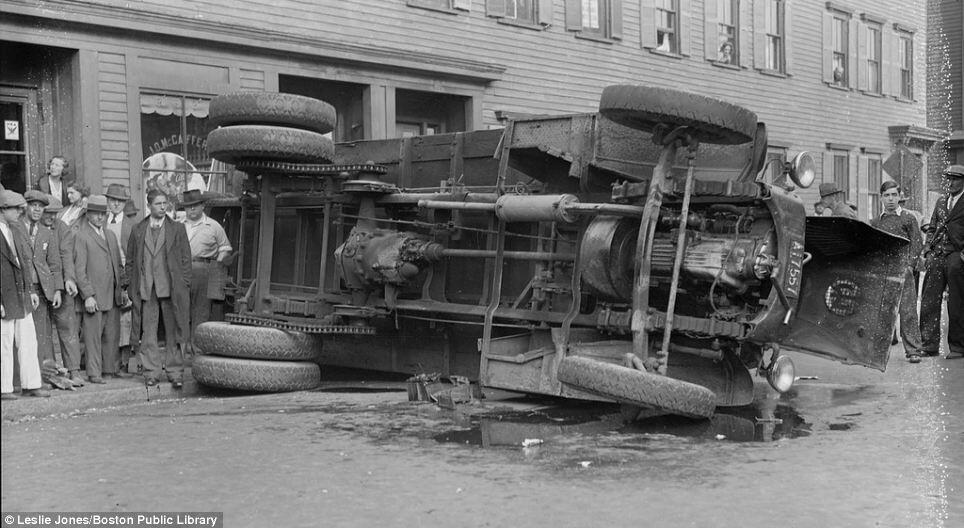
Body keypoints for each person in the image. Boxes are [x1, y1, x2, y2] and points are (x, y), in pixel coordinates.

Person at [127, 190, 192, 388]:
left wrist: (184, 283)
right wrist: (132, 286)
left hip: (171, 288)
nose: (163, 207)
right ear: (149, 206)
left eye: (165, 203)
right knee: (148, 332)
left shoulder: (177, 229)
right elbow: (130, 261)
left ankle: (175, 372)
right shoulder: (138, 229)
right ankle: (151, 372)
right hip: (147, 288)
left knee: (174, 331)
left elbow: (185, 259)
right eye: (158, 204)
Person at [0, 190, 49, 399]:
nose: (20, 213)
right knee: (4, 343)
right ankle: (4, 388)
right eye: (15, 209)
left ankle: (31, 384)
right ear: (2, 210)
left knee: (28, 341)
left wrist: (31, 291)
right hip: (4, 296)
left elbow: (24, 262)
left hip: (21, 295)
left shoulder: (15, 231)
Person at [73, 194, 126, 384]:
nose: (99, 217)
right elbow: (79, 270)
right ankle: (93, 373)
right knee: (92, 337)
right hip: (94, 296)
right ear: (88, 214)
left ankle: (109, 369)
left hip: (112, 295)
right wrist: (87, 295)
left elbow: (118, 265)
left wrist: (122, 289)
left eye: (103, 214)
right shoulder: (81, 236)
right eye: (95, 213)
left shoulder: (110, 235)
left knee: (111, 335)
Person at [871, 182, 924, 363]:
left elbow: (916, 243)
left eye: (894, 195)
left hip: (904, 271)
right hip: (884, 271)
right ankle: (879, 352)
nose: (891, 199)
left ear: (899, 196)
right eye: (887, 195)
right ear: (882, 198)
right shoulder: (876, 222)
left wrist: (910, 265)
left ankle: (914, 350)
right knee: (883, 311)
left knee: (908, 310)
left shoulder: (908, 218)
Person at [179, 189, 232, 356]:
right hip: (180, 270)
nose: (192, 209)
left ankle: (197, 349)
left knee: (201, 311)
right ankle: (180, 351)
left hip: (203, 270)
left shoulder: (213, 226)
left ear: (202, 206)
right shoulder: (177, 225)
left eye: (195, 205)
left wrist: (215, 266)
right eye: (188, 207)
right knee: (181, 310)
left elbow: (225, 248)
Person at [920, 165, 964, 358]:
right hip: (937, 254)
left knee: (957, 302)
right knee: (929, 300)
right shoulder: (941, 201)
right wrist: (928, 249)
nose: (951, 182)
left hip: (957, 254)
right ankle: (929, 345)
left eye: (955, 179)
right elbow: (932, 227)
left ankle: (958, 347)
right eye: (949, 178)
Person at [40, 197, 84, 385]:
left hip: (62, 286)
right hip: (41, 286)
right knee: (44, 332)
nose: (51, 216)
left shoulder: (62, 228)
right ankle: (50, 374)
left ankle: (74, 370)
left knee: (68, 328)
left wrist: (69, 280)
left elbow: (67, 255)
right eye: (47, 212)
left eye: (54, 213)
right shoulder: (29, 227)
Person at [21, 191, 65, 366]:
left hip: (42, 290)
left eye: (41, 207)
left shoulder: (47, 233)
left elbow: (54, 264)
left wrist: (57, 290)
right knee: (23, 334)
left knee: (42, 333)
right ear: (26, 207)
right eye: (34, 206)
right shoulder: (15, 229)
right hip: (22, 288)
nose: (37, 210)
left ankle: (43, 375)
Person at [105, 183, 135, 373]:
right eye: (112, 200)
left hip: (124, 276)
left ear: (124, 204)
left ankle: (123, 363)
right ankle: (108, 362)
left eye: (119, 201)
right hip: (106, 275)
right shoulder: (101, 220)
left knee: (125, 320)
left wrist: (127, 282)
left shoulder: (132, 225)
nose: (115, 204)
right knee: (108, 319)